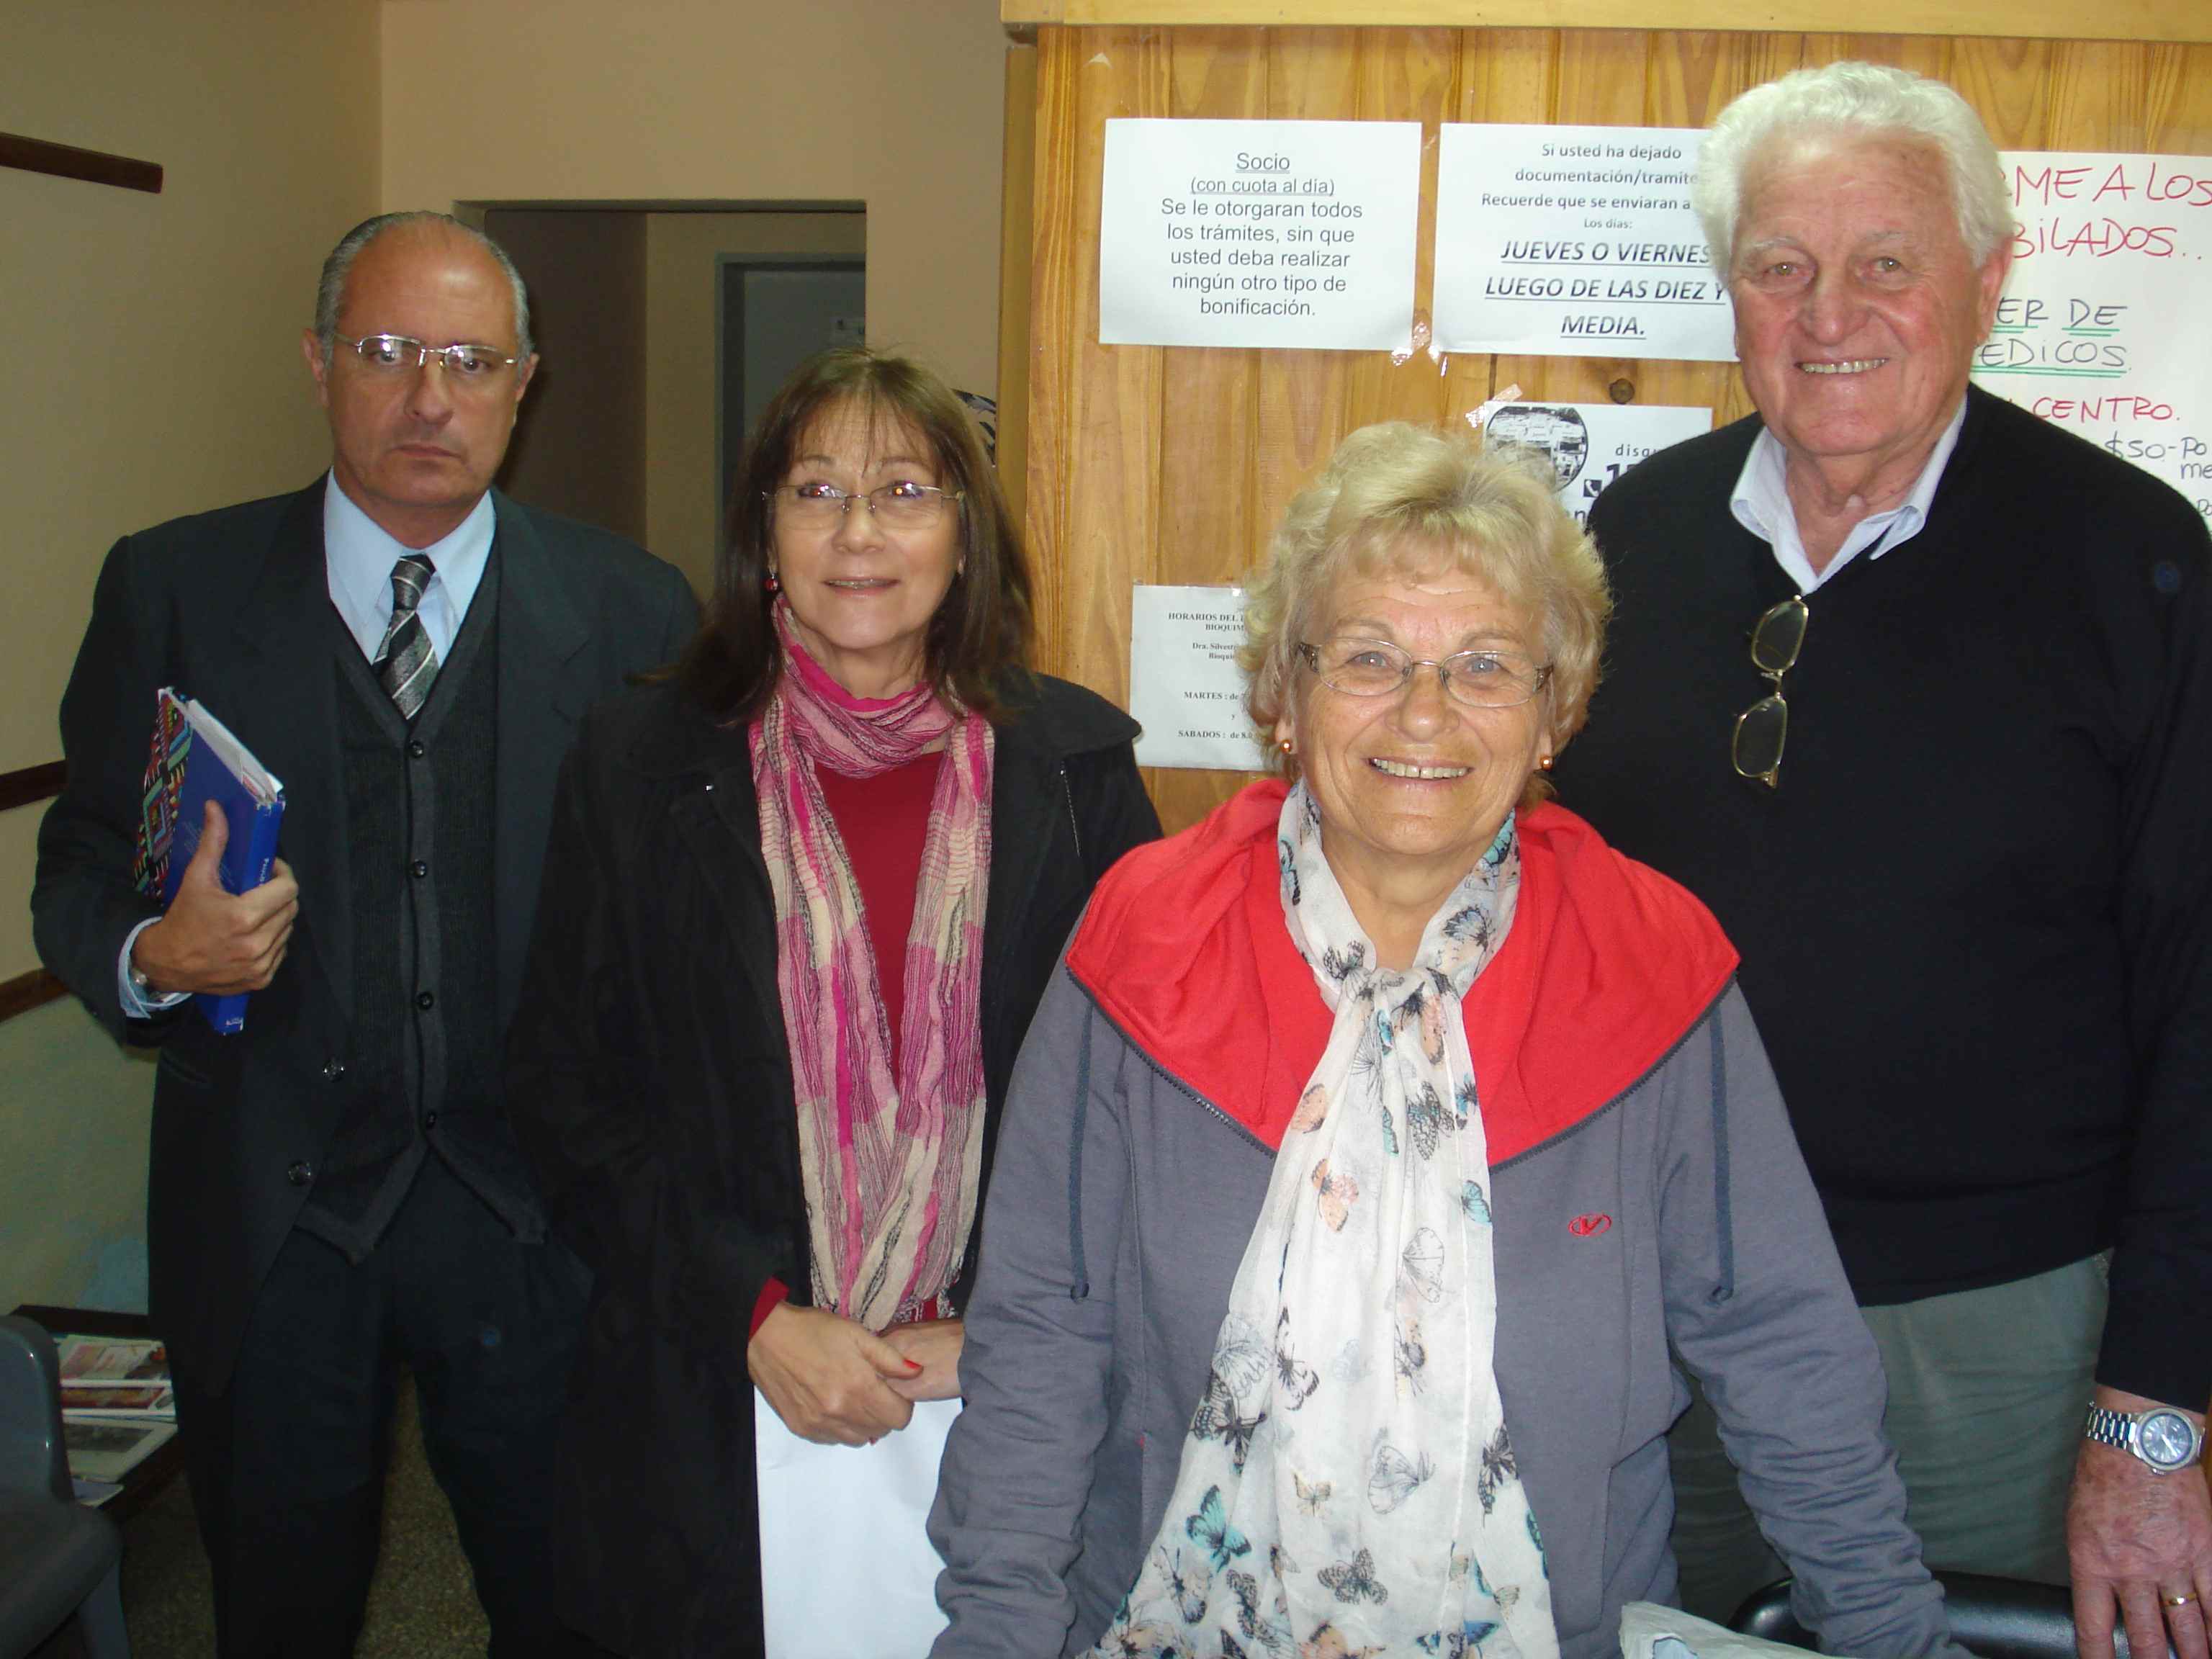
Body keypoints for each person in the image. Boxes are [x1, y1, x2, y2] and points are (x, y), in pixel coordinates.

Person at [928, 423, 1964, 1659]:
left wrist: (1895, 1638)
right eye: (1369, 656)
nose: (1425, 711)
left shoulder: (1652, 964)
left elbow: (1780, 1341)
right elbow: (1043, 1332)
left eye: (1484, 665)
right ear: (1283, 694)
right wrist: (993, 1633)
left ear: (1552, 715)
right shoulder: (1143, 940)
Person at [1548, 60, 2212, 1659]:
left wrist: (2159, 1411)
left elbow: (2208, 1006)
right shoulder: (1622, 547)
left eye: (1886, 262)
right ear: (1732, 295)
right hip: (1648, 1321)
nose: (1827, 310)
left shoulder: (2137, 567)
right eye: (1780, 266)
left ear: (1987, 282)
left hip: (1989, 1347)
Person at [30, 212, 697, 1655]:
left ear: (526, 384)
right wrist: (157, 955)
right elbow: (81, 862)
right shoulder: (177, 590)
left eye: (470, 360)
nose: (429, 398)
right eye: (389, 353)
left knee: (577, 1604)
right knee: (277, 1610)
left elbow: (685, 920)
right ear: (320, 363)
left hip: (536, 1212)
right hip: (277, 1217)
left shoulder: (633, 610)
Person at [504, 346, 1161, 1657]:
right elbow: (563, 1091)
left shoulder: (1077, 770)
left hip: (1005, 1389)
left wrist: (1007, 1329)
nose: (860, 534)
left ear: (965, 541)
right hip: (714, 1388)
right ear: (763, 538)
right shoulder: (640, 765)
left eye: (906, 492)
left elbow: (1142, 1106)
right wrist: (754, 1312)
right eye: (815, 492)